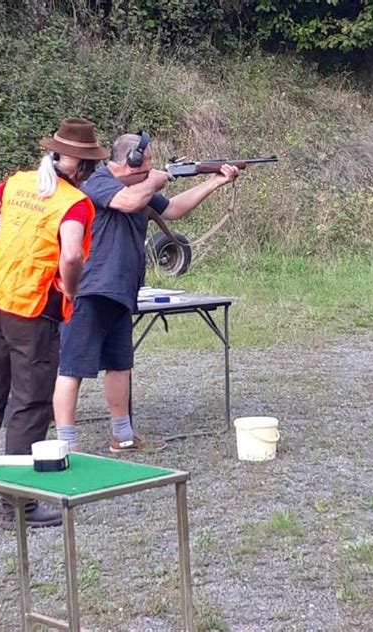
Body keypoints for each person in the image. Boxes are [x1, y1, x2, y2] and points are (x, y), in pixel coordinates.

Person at [0, 118, 109, 527]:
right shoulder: (74, 202)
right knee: (29, 405)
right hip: (34, 311)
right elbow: (73, 257)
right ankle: (18, 504)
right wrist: (73, 290)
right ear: (80, 166)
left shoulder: (21, 182)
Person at [53, 131, 239, 453]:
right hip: (90, 290)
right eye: (147, 159)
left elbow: (174, 210)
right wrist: (154, 180)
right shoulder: (98, 182)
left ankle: (122, 436)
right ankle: (64, 445)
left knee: (120, 364)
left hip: (122, 291)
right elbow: (127, 202)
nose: (152, 165)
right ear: (131, 160)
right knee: (72, 368)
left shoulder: (138, 187)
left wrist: (216, 181)